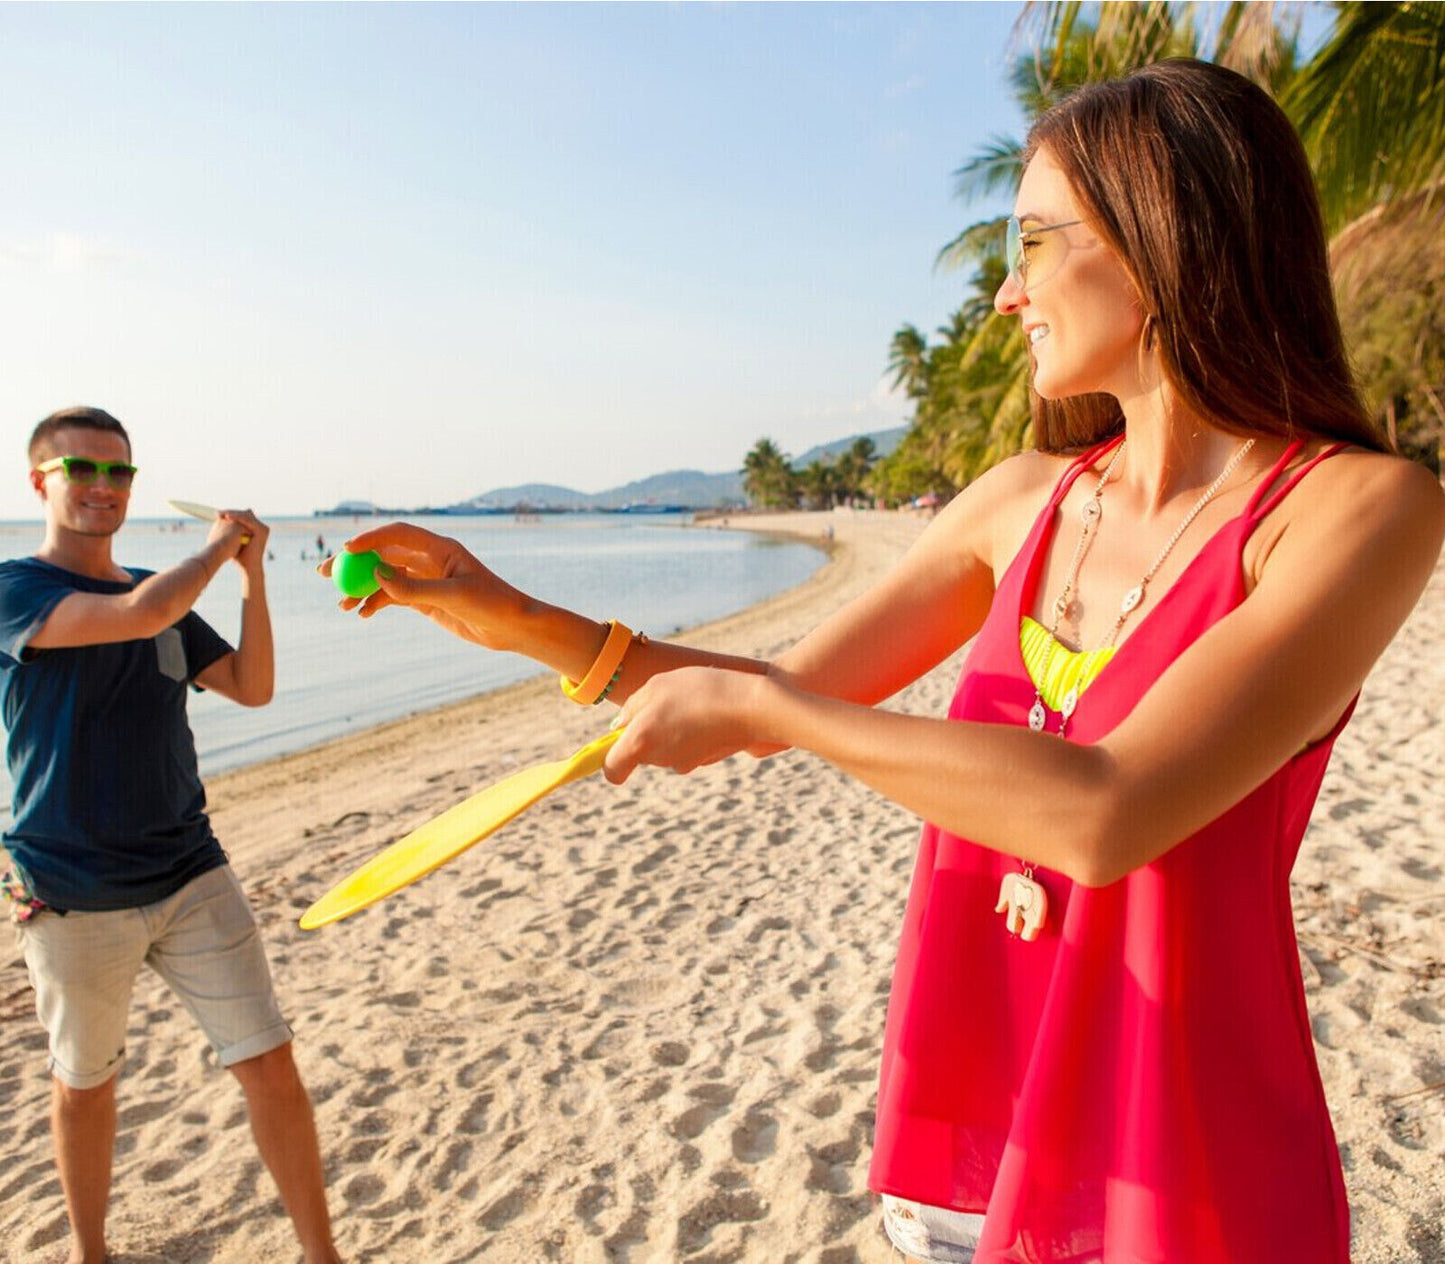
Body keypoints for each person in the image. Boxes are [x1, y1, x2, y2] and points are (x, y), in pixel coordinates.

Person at [324, 61, 1443, 1263]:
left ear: (1149, 235)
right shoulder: (1021, 498)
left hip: (1181, 1144)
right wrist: (509, 612)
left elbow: (1111, 810)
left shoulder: (1354, 510)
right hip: (975, 1124)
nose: (1005, 298)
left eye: (1027, 243)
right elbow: (784, 687)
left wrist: (773, 712)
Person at [0, 407, 342, 1264]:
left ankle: (321, 1255)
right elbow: (139, 616)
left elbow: (252, 688)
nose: (103, 488)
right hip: (72, 891)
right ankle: (91, 1253)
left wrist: (254, 577)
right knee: (86, 1081)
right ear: (39, 482)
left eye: (119, 473)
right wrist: (216, 549)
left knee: (269, 1060)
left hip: (191, 873)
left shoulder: (165, 593)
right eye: (82, 470)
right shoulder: (17, 590)